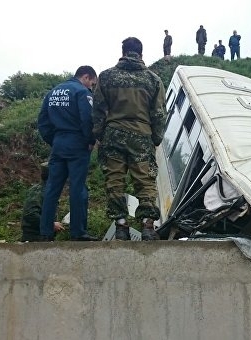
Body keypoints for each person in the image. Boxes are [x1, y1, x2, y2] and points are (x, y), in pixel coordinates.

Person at [92, 37, 167, 241]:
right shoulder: (153, 80)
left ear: (123, 51)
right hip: (142, 136)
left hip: (113, 135)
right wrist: (156, 138)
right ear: (141, 53)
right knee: (145, 180)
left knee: (115, 179)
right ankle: (148, 227)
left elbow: (98, 109)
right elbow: (159, 113)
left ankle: (121, 227)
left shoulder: (106, 77)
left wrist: (99, 133)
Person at [37, 66, 98, 242]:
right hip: (77, 144)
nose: (91, 88)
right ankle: (78, 233)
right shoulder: (81, 92)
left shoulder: (52, 93)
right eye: (92, 84)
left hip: (58, 144)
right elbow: (87, 119)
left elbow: (43, 122)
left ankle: (45, 232)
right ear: (86, 77)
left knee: (52, 188)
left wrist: (54, 141)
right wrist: (90, 140)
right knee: (77, 188)